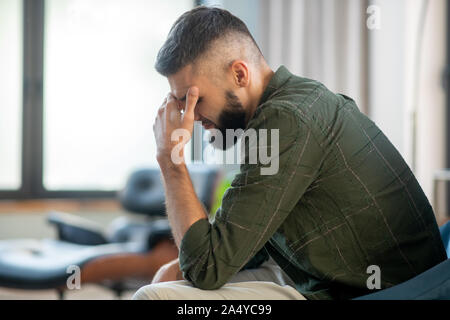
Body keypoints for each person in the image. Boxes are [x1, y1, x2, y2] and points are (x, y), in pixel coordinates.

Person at [133, 6, 447, 300]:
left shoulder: (285, 121)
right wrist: (182, 264)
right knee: (169, 276)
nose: (189, 115)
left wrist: (170, 159)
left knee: (154, 297)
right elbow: (241, 243)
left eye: (193, 100)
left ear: (240, 75)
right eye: (179, 103)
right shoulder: (294, 102)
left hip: (376, 292)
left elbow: (207, 268)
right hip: (322, 274)